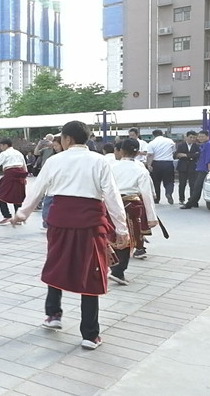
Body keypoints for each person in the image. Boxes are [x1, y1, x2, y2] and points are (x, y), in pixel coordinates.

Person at [11, 121, 128, 351]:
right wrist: (121, 229)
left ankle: (53, 315)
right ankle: (90, 335)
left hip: (60, 223)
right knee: (92, 272)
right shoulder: (99, 161)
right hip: (90, 224)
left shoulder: (55, 161)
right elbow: (112, 196)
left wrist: (22, 213)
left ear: (67, 139)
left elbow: (37, 190)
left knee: (57, 264)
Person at [109, 139, 158, 285]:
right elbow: (147, 194)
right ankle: (118, 271)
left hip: (111, 204)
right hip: (131, 206)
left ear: (121, 151)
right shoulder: (141, 169)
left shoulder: (111, 167)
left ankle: (112, 267)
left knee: (111, 234)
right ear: (137, 153)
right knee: (129, 237)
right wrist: (151, 217)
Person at [181, 130, 210, 209]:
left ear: (207, 137)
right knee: (197, 186)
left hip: (204, 169)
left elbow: (208, 158)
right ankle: (193, 202)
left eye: (202, 136)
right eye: (199, 136)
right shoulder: (203, 145)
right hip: (199, 168)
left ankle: (189, 204)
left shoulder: (208, 144)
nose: (200, 138)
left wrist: (209, 170)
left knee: (197, 187)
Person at [146, 129, 176, 204]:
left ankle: (157, 199)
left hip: (156, 163)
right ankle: (168, 192)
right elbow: (174, 151)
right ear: (162, 134)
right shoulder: (170, 141)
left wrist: (149, 165)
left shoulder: (152, 143)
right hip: (168, 163)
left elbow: (150, 155)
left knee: (156, 182)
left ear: (153, 135)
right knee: (169, 181)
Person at [40, 136, 63, 230]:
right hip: (51, 186)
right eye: (54, 146)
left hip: (60, 188)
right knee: (47, 206)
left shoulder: (65, 158)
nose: (55, 148)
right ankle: (47, 223)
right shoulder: (53, 157)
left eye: (57, 145)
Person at [176, 131, 200, 205]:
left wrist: (186, 155)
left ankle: (192, 200)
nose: (192, 139)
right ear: (186, 137)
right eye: (190, 137)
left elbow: (197, 155)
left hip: (193, 167)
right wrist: (191, 155)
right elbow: (177, 154)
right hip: (182, 167)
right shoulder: (180, 145)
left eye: (194, 138)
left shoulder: (197, 146)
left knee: (192, 184)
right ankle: (181, 199)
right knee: (182, 184)